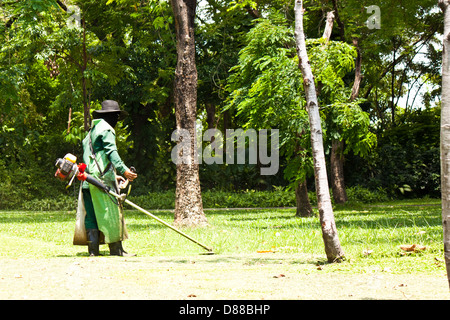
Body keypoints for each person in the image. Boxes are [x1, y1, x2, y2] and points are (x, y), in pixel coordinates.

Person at [73, 100, 137, 256]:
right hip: (100, 180)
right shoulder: (107, 129)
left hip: (87, 179)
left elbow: (93, 159)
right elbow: (111, 152)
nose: (117, 121)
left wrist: (114, 175)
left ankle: (93, 251)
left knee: (92, 215)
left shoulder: (90, 133)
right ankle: (117, 250)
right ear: (113, 116)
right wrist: (124, 170)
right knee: (112, 211)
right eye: (117, 117)